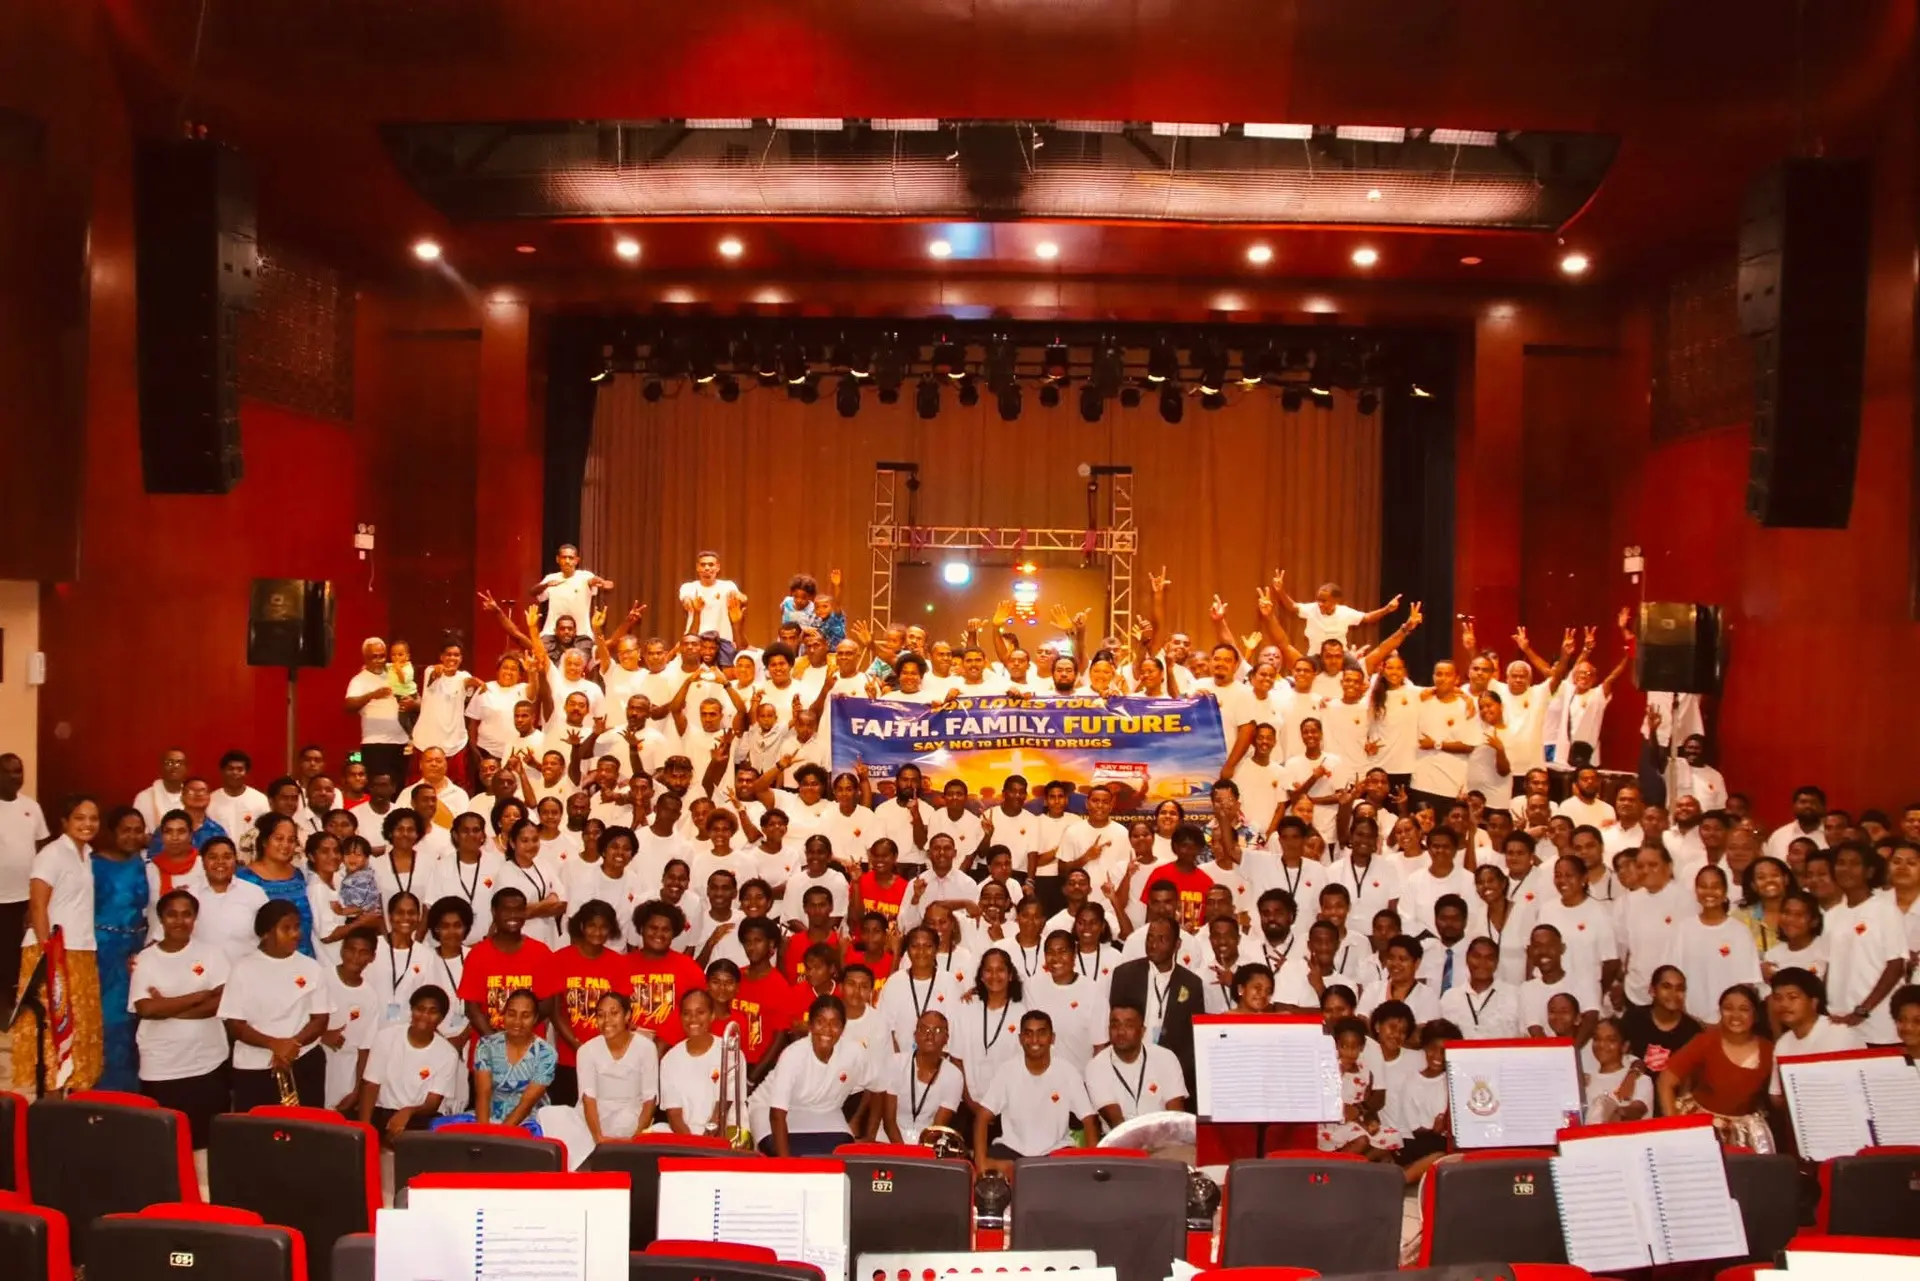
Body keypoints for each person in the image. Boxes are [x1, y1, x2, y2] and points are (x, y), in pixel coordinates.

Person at [13, 794, 102, 1094]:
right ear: (64, 822)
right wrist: (47, 951)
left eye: (93, 818)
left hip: (82, 949)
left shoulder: (88, 854)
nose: (87, 824)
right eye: (80, 818)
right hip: (52, 951)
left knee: (79, 1026)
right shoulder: (51, 854)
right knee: (53, 1027)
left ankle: (74, 1099)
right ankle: (50, 1105)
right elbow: (38, 906)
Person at [130, 888, 231, 1148]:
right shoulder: (146, 959)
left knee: (206, 1143)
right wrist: (200, 995)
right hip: (162, 1067)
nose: (180, 921)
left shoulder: (212, 954)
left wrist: (166, 1006)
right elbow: (146, 1009)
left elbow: (222, 1003)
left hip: (208, 1063)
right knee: (166, 1145)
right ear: (161, 919)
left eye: (187, 915)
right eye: (172, 915)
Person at [221, 900, 333, 1108]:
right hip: (255, 1066)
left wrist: (293, 1045)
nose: (295, 934)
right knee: (259, 1134)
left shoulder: (311, 967)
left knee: (308, 1131)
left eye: (297, 927)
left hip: (303, 1060)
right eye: (286, 928)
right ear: (265, 933)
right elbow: (235, 1025)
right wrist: (275, 1045)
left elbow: (320, 1019)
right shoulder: (243, 969)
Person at [537, 991, 659, 1166]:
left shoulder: (646, 1048)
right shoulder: (586, 1050)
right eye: (601, 1015)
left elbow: (650, 1099)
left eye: (614, 1013)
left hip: (630, 1113)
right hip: (593, 1116)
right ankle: (592, 1154)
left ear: (627, 1016)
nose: (607, 1020)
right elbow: (588, 1099)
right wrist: (598, 1137)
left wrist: (637, 1139)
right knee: (549, 1115)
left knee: (625, 1124)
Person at [973, 1009, 1099, 1170]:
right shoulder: (1007, 1070)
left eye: (1041, 1033)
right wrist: (980, 1162)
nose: (1034, 1040)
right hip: (1011, 1151)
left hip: (1056, 1151)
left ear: (1052, 1038)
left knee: (1072, 1172)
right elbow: (983, 1117)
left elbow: (1089, 1120)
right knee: (985, 1174)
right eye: (1028, 1033)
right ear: (1020, 1038)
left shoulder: (1068, 1071)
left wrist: (1094, 1163)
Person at [1656, 984, 1774, 1148]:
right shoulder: (1705, 1041)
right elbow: (1665, 1081)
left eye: (1744, 1009)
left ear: (1755, 1015)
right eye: (1728, 1008)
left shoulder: (1770, 1050)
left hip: (1748, 1134)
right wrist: (1675, 1128)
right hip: (1702, 1129)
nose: (1735, 1015)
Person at [1108, 917, 1205, 1093]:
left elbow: (1192, 1038)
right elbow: (1115, 1024)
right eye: (1150, 937)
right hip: (1129, 1066)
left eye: (1162, 939)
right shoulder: (1125, 974)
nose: (1153, 944)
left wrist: (1174, 1071)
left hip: (1172, 1074)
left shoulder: (1192, 984)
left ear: (1177, 944)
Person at [763, 994, 869, 1156]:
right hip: (777, 1113)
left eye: (835, 1024)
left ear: (843, 1028)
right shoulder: (792, 1055)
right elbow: (777, 1115)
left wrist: (858, 1122)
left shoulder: (854, 1052)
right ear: (810, 1025)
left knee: (843, 1158)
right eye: (820, 1022)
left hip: (827, 1115)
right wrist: (786, 1167)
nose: (827, 1029)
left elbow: (876, 1085)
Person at [93, 805, 152, 1091]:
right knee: (111, 1019)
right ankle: (109, 1089)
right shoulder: (93, 865)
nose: (131, 836)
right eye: (125, 830)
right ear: (112, 832)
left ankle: (136, 1088)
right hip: (106, 951)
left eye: (137, 830)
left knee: (137, 1018)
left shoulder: (140, 862)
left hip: (137, 947)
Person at [357, 984, 460, 1142]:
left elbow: (432, 1103)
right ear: (411, 1010)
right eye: (420, 1008)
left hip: (420, 1116)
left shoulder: (448, 1054)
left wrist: (408, 1112)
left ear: (441, 1017)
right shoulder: (385, 1037)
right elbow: (370, 1085)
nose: (425, 1015)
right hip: (382, 1112)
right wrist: (365, 1131)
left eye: (433, 1011)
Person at [0, 753, 49, 1025]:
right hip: (0, 897)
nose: (13, 777)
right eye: (7, 771)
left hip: (27, 897)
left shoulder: (32, 807)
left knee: (22, 954)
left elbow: (42, 847)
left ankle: (18, 1003)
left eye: (18, 771)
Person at [1085, 1000, 1188, 1124]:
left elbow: (1176, 1116)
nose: (1121, 1032)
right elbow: (1116, 1122)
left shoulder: (1165, 1058)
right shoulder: (1095, 1067)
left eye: (1129, 1025)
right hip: (1120, 1138)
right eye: (1115, 1025)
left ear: (1143, 1031)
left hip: (1163, 1136)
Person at [472, 988, 558, 1128]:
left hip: (529, 1118)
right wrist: (483, 1133)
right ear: (504, 1015)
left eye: (525, 1016)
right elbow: (483, 1094)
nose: (517, 1021)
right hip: (489, 1116)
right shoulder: (486, 1046)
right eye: (511, 1014)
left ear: (535, 1019)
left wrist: (502, 1136)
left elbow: (527, 1103)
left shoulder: (546, 1053)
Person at [237, 814, 315, 957]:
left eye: (291, 840)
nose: (285, 845)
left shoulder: (299, 874)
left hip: (304, 958)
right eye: (279, 838)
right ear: (265, 841)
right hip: (266, 962)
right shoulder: (245, 878)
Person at [659, 989, 725, 1135]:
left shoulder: (730, 1052)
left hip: (724, 1130)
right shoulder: (669, 1060)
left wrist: (706, 1140)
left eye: (700, 1012)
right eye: (686, 1013)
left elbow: (725, 1104)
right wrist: (691, 1144)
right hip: (686, 1135)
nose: (693, 1019)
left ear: (712, 1015)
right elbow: (674, 1115)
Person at [1584, 1017, 1653, 1124]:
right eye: (1597, 1039)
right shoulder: (1586, 1081)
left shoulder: (1640, 1079)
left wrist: (1614, 1111)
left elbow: (1637, 1111)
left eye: (1611, 1040)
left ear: (1624, 1046)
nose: (1602, 1045)